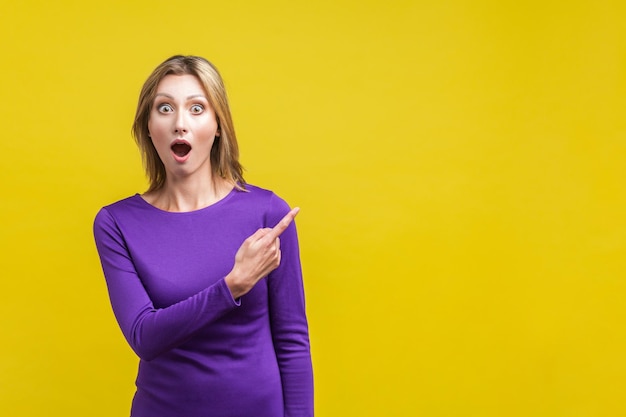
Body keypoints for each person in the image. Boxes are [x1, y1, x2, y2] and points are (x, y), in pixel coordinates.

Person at [93, 55, 313, 417]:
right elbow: (144, 336)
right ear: (149, 127)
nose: (180, 123)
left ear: (218, 125)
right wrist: (232, 286)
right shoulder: (117, 223)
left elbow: (292, 341)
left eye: (197, 108)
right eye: (165, 108)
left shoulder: (267, 213)